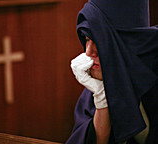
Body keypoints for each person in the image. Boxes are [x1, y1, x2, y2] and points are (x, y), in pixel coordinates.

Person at [66, 0, 158, 144]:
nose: (88, 52)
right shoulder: (92, 92)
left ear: (126, 42)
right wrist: (102, 101)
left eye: (99, 41)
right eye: (87, 39)